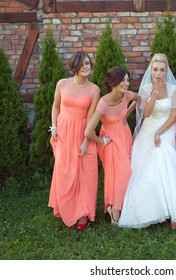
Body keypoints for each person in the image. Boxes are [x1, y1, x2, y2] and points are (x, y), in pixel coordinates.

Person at [118, 53, 176, 229]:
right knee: (146, 168)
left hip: (166, 130)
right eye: (155, 70)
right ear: (151, 70)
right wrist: (154, 92)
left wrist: (160, 133)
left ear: (167, 70)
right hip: (148, 130)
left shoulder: (174, 89)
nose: (159, 73)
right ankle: (151, 210)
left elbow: (175, 114)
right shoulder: (146, 89)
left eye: (162, 70)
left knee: (165, 160)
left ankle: (175, 212)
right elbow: (146, 113)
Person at [48, 51, 100, 232]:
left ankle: (84, 213)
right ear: (75, 66)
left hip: (83, 132)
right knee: (65, 171)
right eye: (83, 64)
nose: (86, 67)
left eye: (88, 63)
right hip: (63, 132)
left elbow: (92, 116)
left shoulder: (94, 89)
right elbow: (55, 106)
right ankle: (66, 207)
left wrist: (87, 140)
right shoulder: (62, 84)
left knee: (85, 173)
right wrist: (54, 127)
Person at [84, 67, 137, 225]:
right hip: (110, 140)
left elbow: (139, 99)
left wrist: (126, 115)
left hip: (125, 135)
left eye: (128, 80)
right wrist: (102, 141)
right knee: (123, 173)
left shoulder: (127, 95)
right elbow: (88, 131)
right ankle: (115, 211)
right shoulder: (103, 103)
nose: (126, 83)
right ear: (112, 82)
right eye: (123, 80)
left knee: (120, 174)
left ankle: (115, 207)